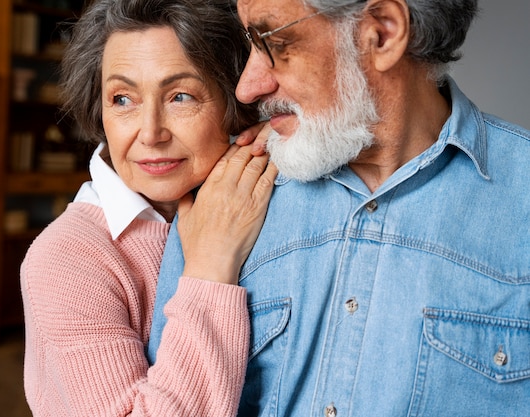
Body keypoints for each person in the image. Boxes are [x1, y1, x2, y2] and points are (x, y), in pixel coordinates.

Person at [148, 0, 530, 415]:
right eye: (249, 42)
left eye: (273, 42)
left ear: (382, 33)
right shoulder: (223, 202)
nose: (248, 87)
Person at [20, 0, 277, 415]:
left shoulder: (260, 194)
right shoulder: (65, 259)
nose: (151, 132)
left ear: (235, 103)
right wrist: (210, 264)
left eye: (180, 96)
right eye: (122, 99)